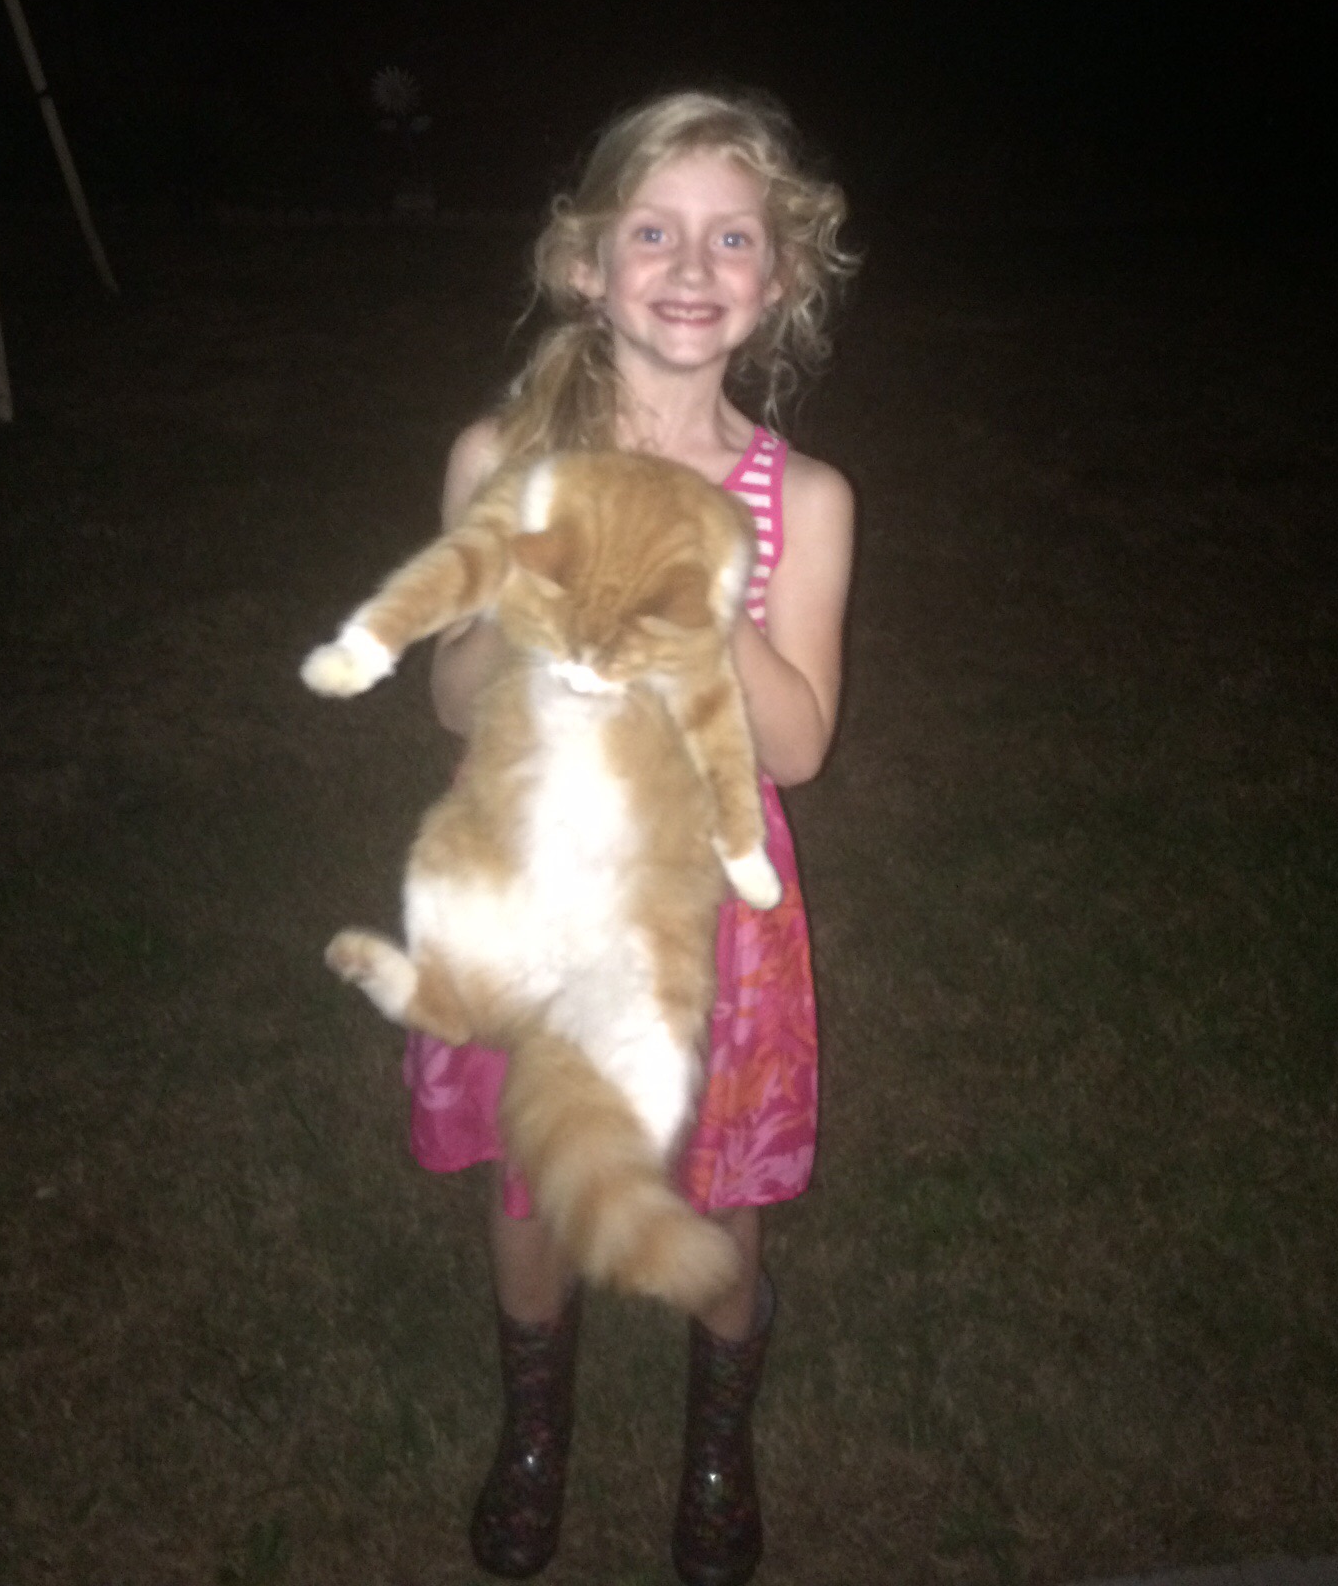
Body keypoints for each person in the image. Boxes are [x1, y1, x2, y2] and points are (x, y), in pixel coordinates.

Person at [408, 89, 857, 1584]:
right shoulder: (498, 454)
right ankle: (536, 1430)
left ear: (777, 281)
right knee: (533, 1176)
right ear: (586, 264)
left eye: (732, 238)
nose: (691, 264)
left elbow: (800, 745)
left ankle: (719, 1440)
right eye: (653, 233)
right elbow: (450, 696)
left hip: (712, 899)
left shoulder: (805, 497)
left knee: (716, 1185)